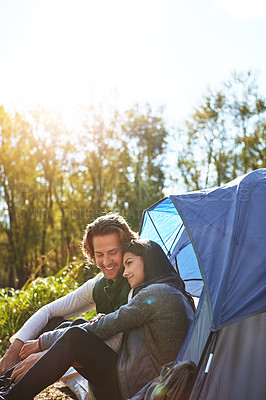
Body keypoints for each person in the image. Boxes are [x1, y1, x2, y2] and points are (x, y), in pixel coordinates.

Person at [0, 239, 194, 400]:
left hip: (142, 389)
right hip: (140, 380)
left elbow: (108, 326)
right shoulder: (172, 292)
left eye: (130, 263)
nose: (125, 272)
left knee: (76, 335)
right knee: (75, 326)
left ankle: (12, 397)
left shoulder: (157, 294)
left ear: (148, 261)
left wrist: (43, 342)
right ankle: (6, 385)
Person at [0, 213, 138, 381]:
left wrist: (48, 355)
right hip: (93, 364)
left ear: (126, 248)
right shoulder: (98, 285)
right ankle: (11, 381)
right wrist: (14, 350)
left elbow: (120, 345)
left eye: (113, 252)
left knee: (75, 329)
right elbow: (49, 311)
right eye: (99, 254)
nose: (106, 261)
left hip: (121, 376)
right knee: (55, 324)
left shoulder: (138, 286)